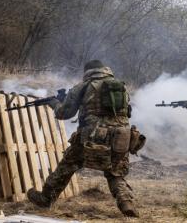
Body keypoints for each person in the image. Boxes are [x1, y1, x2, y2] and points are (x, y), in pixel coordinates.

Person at [27, 60, 144, 217]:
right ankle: (126, 203)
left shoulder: (83, 87)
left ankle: (45, 198)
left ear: (88, 72)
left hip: (92, 137)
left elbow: (63, 113)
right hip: (122, 136)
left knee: (67, 165)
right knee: (115, 173)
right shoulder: (120, 86)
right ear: (104, 70)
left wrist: (54, 103)